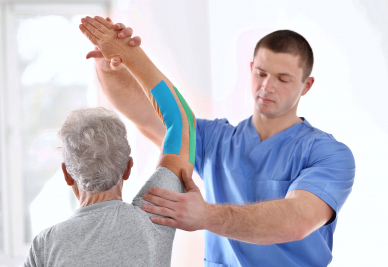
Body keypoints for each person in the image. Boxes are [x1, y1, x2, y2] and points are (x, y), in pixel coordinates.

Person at [93, 20, 355, 267]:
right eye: (261, 73)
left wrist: (206, 215)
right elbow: (148, 113)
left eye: (283, 79)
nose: (267, 86)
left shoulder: (328, 155)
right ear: (251, 69)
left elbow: (296, 220)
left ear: (306, 85)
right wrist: (113, 67)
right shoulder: (215, 140)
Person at [23, 16, 196, 267]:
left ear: (66, 173)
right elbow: (182, 122)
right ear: (127, 167)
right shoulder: (154, 217)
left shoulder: (46, 245)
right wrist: (129, 55)